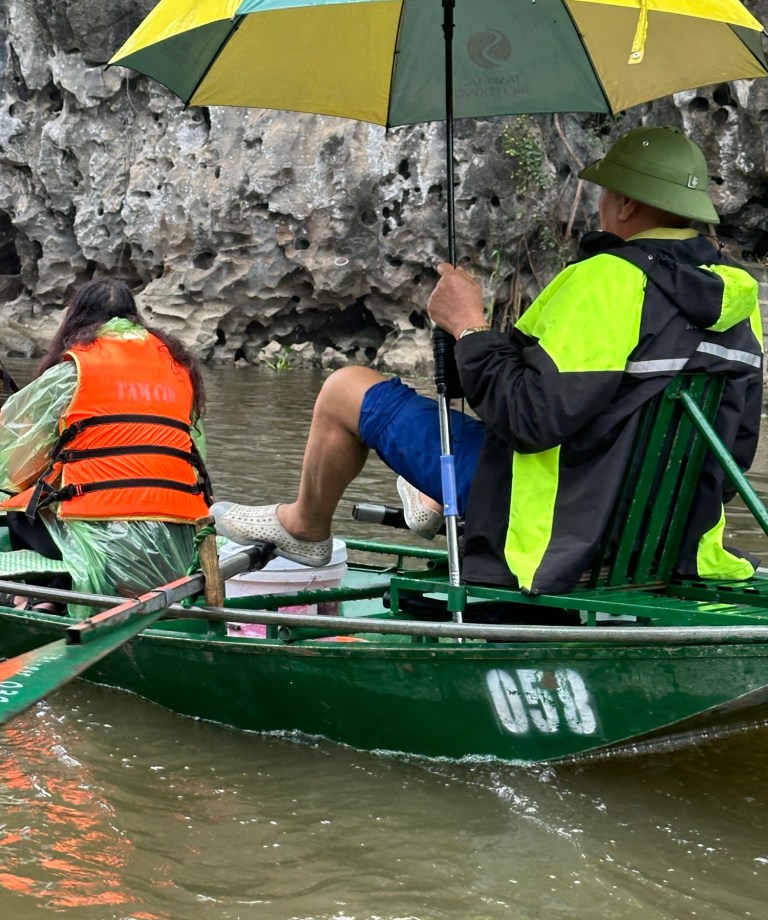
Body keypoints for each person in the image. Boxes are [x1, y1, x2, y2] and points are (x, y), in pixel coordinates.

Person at [212, 126, 763, 596]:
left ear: (626, 204)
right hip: (658, 538)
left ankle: (304, 528)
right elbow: (734, 452)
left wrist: (468, 326)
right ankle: (430, 493)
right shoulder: (740, 302)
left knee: (346, 389)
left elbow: (528, 420)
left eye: (604, 193)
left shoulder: (608, 280)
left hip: (556, 523)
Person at [0, 278, 212, 611]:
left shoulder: (72, 371)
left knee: (20, 506)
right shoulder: (179, 369)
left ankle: (41, 598)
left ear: (77, 319)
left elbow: (18, 469)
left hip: (103, 546)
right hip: (181, 544)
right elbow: (194, 455)